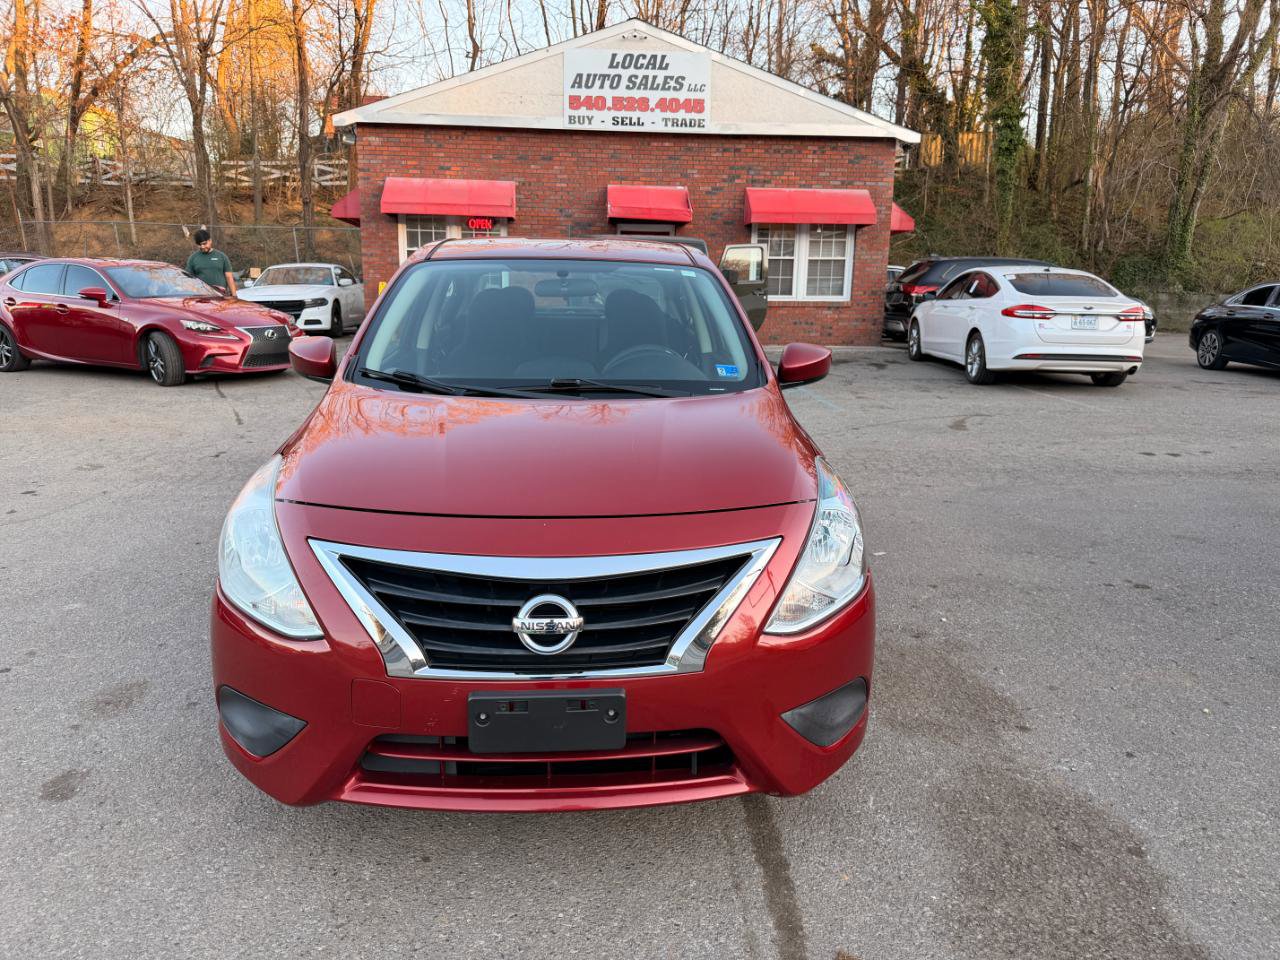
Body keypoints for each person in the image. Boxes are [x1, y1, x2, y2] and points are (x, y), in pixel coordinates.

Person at [185, 229, 237, 295]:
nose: (202, 247)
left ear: (210, 241)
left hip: (221, 295)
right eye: (199, 244)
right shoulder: (193, 258)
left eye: (204, 243)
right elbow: (189, 279)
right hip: (201, 295)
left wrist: (234, 295)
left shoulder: (222, 256)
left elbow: (229, 277)